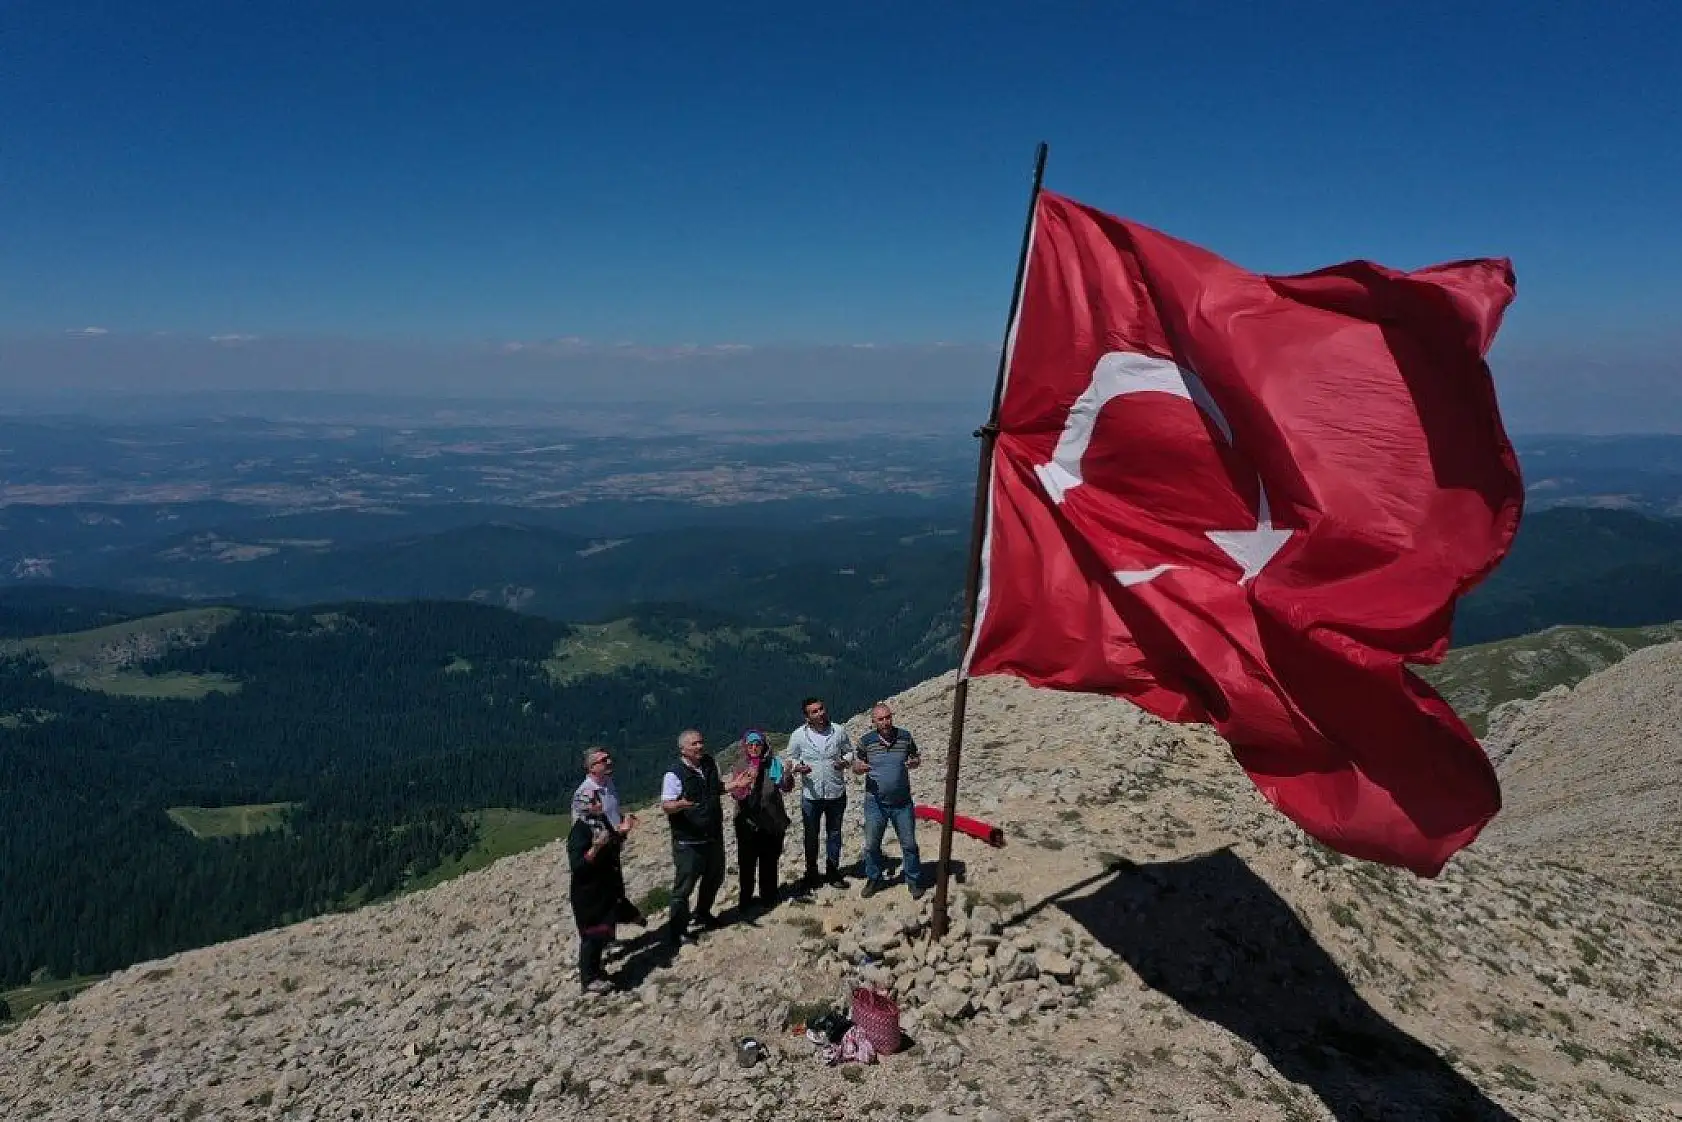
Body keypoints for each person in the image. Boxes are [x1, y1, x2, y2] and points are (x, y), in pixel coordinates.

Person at [659, 728, 730, 948]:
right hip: (688, 840)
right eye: (694, 744)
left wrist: (734, 785)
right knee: (684, 887)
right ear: (683, 749)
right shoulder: (674, 774)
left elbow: (715, 788)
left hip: (712, 835)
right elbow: (667, 804)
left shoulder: (709, 763)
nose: (700, 747)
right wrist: (679, 805)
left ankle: (703, 913)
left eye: (701, 742)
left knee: (714, 877)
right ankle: (678, 930)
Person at [853, 701, 925, 899]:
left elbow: (916, 756)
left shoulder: (905, 737)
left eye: (888, 717)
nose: (885, 722)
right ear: (873, 721)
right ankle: (874, 878)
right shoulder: (866, 742)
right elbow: (856, 765)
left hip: (902, 802)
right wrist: (859, 768)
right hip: (875, 802)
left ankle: (913, 880)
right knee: (871, 844)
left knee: (909, 844)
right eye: (880, 719)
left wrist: (914, 762)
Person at [785, 696, 855, 891]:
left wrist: (845, 762)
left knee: (834, 834)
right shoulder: (798, 735)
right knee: (811, 836)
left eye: (821, 709)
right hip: (811, 794)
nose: (820, 713)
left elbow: (850, 752)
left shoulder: (839, 730)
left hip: (835, 791)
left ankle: (833, 872)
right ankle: (811, 873)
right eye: (814, 711)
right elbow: (790, 757)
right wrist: (799, 767)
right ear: (807, 716)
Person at [567, 788, 627, 992]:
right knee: (591, 936)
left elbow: (613, 845)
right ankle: (588, 978)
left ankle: (596, 970)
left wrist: (622, 833)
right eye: (593, 802)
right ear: (583, 806)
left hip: (604, 886)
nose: (599, 804)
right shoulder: (579, 831)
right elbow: (578, 866)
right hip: (587, 893)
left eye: (598, 800)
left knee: (601, 932)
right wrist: (595, 848)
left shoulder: (600, 821)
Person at [728, 729, 794, 913]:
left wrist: (787, 775)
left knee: (770, 859)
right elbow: (736, 794)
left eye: (758, 744)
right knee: (747, 863)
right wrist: (746, 785)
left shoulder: (773, 763)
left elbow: (786, 787)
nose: (755, 748)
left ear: (764, 745)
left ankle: (769, 895)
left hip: (772, 821)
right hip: (747, 823)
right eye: (751, 745)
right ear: (746, 746)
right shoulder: (741, 766)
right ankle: (746, 898)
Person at [571, 745, 636, 836]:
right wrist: (620, 829)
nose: (609, 762)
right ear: (591, 768)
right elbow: (591, 829)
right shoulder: (584, 794)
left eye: (608, 758)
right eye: (603, 760)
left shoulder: (608, 782)